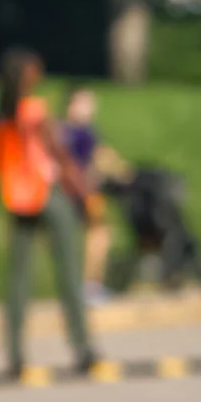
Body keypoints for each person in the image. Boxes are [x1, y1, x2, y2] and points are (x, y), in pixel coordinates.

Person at [0, 49, 97, 379]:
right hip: (47, 194)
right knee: (68, 272)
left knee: (18, 279)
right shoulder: (34, 110)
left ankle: (15, 354)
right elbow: (59, 154)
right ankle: (82, 346)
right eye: (35, 70)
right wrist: (81, 191)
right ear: (25, 76)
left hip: (17, 199)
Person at [61, 86, 125, 304]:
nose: (91, 108)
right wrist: (121, 170)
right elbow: (100, 155)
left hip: (76, 193)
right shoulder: (79, 132)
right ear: (71, 105)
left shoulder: (71, 131)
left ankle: (85, 285)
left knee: (95, 235)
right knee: (99, 235)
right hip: (84, 194)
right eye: (85, 102)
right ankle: (90, 286)